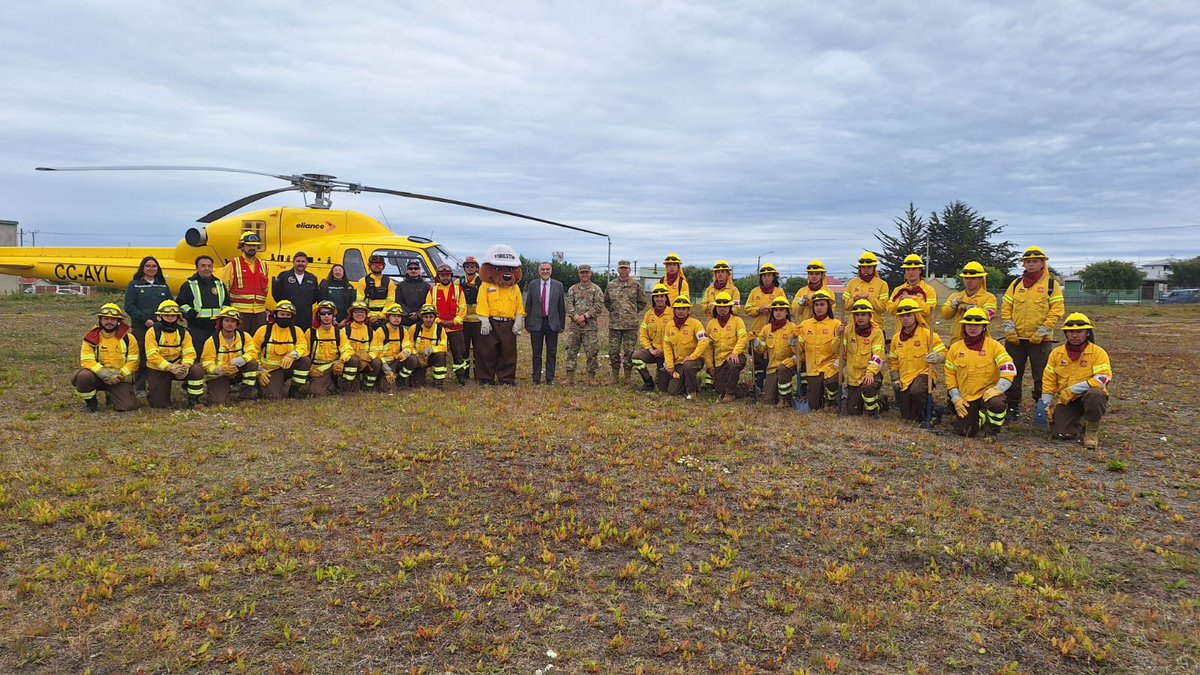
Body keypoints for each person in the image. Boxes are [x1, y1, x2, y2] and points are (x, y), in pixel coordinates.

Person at [1000, 245, 1065, 420]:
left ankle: (1041, 407)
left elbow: (1057, 310)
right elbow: (1006, 307)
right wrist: (1009, 328)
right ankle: (1012, 407)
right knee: (1012, 373)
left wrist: (1043, 330)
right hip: (1016, 339)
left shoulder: (1052, 285)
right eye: (1028, 261)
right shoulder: (1015, 285)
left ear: (1043, 263)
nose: (1031, 264)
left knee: (1042, 375)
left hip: (1041, 341)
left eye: (1035, 261)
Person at [1040, 312, 1113, 449]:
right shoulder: (1056, 354)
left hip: (1087, 397)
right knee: (1060, 435)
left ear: (1087, 333)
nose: (1074, 335)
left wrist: (1073, 390)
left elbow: (1102, 379)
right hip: (1067, 401)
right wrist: (1046, 403)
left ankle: (1091, 430)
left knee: (1095, 395)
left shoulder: (1098, 353)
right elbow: (1049, 379)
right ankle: (1080, 420)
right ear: (1066, 334)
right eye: (1070, 332)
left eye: (1079, 332)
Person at [945, 308, 1017, 437]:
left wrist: (998, 389)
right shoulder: (955, 348)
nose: (973, 327)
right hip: (966, 397)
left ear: (984, 327)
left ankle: (992, 430)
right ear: (964, 326)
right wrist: (956, 398)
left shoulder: (995, 346)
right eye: (969, 324)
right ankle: (981, 415)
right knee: (965, 432)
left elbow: (1009, 369)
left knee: (997, 404)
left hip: (988, 394)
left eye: (977, 324)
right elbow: (950, 375)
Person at [73, 303, 141, 412]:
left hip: (119, 378)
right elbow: (87, 360)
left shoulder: (129, 338)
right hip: (98, 376)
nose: (109, 322)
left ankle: (112, 395)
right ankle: (91, 403)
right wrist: (105, 375)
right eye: (106, 319)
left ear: (119, 321)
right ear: (100, 319)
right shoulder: (91, 338)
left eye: (113, 319)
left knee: (128, 406)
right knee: (83, 377)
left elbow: (134, 362)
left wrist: (120, 375)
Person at [889, 298, 947, 423]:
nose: (905, 318)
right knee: (907, 417)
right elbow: (893, 361)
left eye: (908, 315)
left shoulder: (928, 334)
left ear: (916, 315)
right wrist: (895, 378)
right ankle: (935, 410)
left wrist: (937, 357)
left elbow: (944, 353)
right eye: (902, 316)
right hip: (905, 378)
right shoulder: (895, 338)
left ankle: (929, 414)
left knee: (916, 391)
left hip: (924, 373)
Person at [475, 244, 526, 385]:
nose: (506, 273)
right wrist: (484, 320)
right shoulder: (486, 286)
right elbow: (482, 302)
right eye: (499, 269)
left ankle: (506, 379)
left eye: (510, 269)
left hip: (508, 324)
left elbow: (519, 305)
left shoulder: (515, 287)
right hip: (491, 322)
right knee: (486, 352)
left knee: (508, 353)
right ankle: (485, 379)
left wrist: (518, 321)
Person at [143, 300, 207, 409]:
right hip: (159, 369)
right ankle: (155, 392)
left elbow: (189, 352)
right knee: (159, 405)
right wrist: (170, 367)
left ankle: (194, 400)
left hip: (179, 366)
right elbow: (152, 355)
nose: (170, 317)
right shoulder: (152, 332)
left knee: (196, 370)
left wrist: (186, 366)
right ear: (160, 316)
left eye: (173, 315)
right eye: (167, 315)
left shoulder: (184, 332)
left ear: (178, 317)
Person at [124, 255, 172, 395]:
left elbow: (169, 305)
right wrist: (145, 320)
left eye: (154, 266)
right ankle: (139, 387)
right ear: (142, 269)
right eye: (148, 266)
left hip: (161, 327)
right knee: (141, 356)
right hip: (141, 327)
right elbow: (129, 306)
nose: (151, 268)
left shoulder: (163, 286)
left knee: (158, 354)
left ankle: (156, 384)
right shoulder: (134, 285)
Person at [253, 300, 311, 400]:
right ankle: (261, 386)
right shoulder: (264, 330)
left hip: (288, 367)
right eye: (282, 314)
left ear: (292, 317)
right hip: (270, 371)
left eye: (288, 315)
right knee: (273, 397)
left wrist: (292, 355)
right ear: (275, 315)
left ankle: (295, 389)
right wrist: (259, 371)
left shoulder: (296, 331)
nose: (285, 317)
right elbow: (253, 352)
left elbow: (303, 347)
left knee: (305, 361)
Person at [201, 307, 260, 405]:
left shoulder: (245, 336)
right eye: (227, 320)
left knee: (252, 364)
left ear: (237, 324)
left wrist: (242, 359)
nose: (229, 324)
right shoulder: (211, 341)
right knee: (219, 402)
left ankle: (245, 396)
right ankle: (216, 391)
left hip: (237, 371)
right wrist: (219, 370)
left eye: (233, 321)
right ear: (221, 323)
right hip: (220, 375)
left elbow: (253, 353)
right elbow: (206, 363)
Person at [795, 289, 843, 411]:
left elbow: (839, 351)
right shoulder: (805, 324)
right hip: (813, 369)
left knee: (832, 382)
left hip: (830, 367)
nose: (819, 308)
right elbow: (798, 350)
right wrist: (793, 339)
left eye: (822, 304)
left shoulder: (836, 324)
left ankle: (830, 401)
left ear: (828, 306)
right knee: (814, 406)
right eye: (816, 304)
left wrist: (838, 335)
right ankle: (821, 396)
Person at [744, 263, 787, 393]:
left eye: (769, 276)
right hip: (757, 331)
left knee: (770, 359)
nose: (766, 278)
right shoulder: (754, 292)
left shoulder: (779, 292)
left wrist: (772, 309)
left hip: (774, 331)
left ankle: (771, 384)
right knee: (757, 360)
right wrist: (758, 309)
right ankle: (758, 384)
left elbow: (784, 308)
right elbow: (747, 309)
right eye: (764, 276)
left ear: (774, 277)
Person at [218, 231, 270, 334]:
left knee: (258, 341)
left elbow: (266, 289)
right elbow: (224, 288)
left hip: (259, 313)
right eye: (249, 245)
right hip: (239, 313)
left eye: (255, 246)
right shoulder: (233, 264)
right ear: (242, 246)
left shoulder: (263, 265)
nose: (252, 248)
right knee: (239, 341)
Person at [605, 259, 648, 383]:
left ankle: (627, 377)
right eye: (621, 268)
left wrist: (632, 312)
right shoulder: (611, 285)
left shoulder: (636, 285)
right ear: (618, 270)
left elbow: (642, 302)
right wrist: (614, 311)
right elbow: (607, 302)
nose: (624, 270)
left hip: (630, 325)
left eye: (626, 268)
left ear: (629, 270)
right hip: (615, 324)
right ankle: (615, 376)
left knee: (629, 352)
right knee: (613, 351)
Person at [523, 261, 566, 385]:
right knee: (536, 353)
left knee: (551, 353)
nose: (545, 271)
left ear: (551, 271)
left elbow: (561, 307)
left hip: (552, 324)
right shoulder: (533, 285)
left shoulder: (558, 285)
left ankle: (550, 378)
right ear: (539, 271)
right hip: (536, 323)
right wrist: (527, 323)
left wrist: (562, 325)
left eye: (547, 269)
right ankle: (536, 378)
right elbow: (529, 305)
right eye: (543, 269)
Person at [425, 264, 469, 384]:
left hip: (456, 328)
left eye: (447, 275)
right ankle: (438, 379)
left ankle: (460, 377)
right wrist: (440, 321)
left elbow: (463, 308)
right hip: (438, 328)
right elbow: (428, 309)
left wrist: (454, 321)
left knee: (458, 353)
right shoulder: (432, 291)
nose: (445, 277)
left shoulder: (458, 290)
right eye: (442, 275)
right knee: (439, 353)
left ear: (451, 276)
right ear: (438, 276)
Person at [754, 297, 800, 408]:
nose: (778, 313)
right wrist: (755, 342)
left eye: (781, 310)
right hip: (772, 367)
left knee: (783, 369)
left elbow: (799, 350)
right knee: (768, 400)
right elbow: (761, 349)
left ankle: (785, 399)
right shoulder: (766, 329)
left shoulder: (793, 328)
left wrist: (794, 339)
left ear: (786, 312)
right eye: (775, 310)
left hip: (789, 365)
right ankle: (748, 387)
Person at [843, 299, 887, 416]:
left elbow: (878, 356)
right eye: (857, 315)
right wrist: (838, 336)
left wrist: (870, 373)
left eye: (863, 314)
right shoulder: (847, 330)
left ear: (870, 316)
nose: (860, 318)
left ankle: (877, 406)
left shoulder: (877, 332)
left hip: (870, 375)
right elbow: (838, 350)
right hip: (853, 378)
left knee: (868, 388)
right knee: (852, 411)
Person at [563, 264, 606, 384]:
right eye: (582, 273)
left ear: (590, 274)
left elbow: (598, 306)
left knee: (592, 352)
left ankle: (591, 378)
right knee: (571, 351)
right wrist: (576, 317)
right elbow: (568, 304)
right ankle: (569, 377)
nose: (584, 275)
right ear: (579, 274)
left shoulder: (596, 289)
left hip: (590, 327)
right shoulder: (572, 289)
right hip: (574, 327)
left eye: (586, 272)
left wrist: (585, 317)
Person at [176, 254, 228, 350]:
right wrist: (191, 312)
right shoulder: (189, 284)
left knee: (216, 351)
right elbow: (180, 303)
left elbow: (226, 303)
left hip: (216, 327)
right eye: (203, 266)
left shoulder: (219, 284)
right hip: (197, 326)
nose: (206, 268)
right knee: (199, 352)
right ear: (197, 268)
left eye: (209, 266)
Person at [705, 292, 749, 403]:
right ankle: (747, 387)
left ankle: (730, 394)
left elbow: (742, 339)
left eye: (725, 306)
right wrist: (710, 366)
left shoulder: (737, 321)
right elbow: (708, 347)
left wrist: (735, 353)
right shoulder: (711, 324)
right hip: (720, 362)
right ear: (716, 308)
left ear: (730, 307)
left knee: (733, 364)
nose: (722, 309)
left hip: (736, 356)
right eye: (719, 306)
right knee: (720, 390)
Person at [663, 296, 709, 399]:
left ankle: (692, 392)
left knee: (688, 366)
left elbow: (704, 341)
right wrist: (670, 365)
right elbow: (667, 347)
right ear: (674, 310)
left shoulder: (696, 324)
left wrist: (693, 356)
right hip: (678, 362)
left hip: (695, 360)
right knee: (673, 391)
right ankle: (694, 381)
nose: (681, 311)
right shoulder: (669, 326)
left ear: (688, 310)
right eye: (678, 308)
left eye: (684, 308)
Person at [940, 261, 997, 342]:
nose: (969, 281)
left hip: (979, 343)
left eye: (973, 278)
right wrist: (952, 306)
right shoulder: (955, 296)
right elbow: (944, 315)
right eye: (966, 278)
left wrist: (974, 310)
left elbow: (990, 314)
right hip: (956, 342)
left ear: (981, 279)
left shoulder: (989, 297)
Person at [631, 284, 673, 392]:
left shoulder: (673, 314)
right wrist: (650, 349)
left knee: (662, 388)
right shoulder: (649, 314)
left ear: (666, 298)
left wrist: (664, 351)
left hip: (667, 354)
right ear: (653, 298)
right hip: (653, 351)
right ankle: (648, 382)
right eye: (656, 297)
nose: (659, 299)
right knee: (636, 357)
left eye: (662, 296)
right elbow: (643, 334)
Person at [307, 301, 353, 397]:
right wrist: (309, 370)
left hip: (336, 366)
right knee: (316, 392)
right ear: (318, 316)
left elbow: (348, 349)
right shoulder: (311, 332)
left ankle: (346, 386)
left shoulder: (338, 332)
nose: (326, 316)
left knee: (353, 360)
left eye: (329, 313)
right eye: (323, 313)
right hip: (319, 369)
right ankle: (330, 384)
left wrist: (341, 361)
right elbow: (304, 353)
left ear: (333, 315)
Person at [399, 304, 450, 388]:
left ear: (434, 317)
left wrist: (432, 349)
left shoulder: (440, 329)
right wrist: (417, 356)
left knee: (441, 355)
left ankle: (438, 383)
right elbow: (408, 345)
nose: (428, 319)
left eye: (431, 317)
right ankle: (402, 379)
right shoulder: (414, 328)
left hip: (430, 357)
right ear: (422, 317)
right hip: (417, 359)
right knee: (417, 384)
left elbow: (443, 346)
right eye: (426, 317)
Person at [887, 254, 937, 330]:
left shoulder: (929, 290)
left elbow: (929, 311)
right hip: (901, 334)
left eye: (914, 269)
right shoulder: (897, 290)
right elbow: (890, 310)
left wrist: (912, 298)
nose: (910, 272)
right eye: (908, 269)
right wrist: (900, 301)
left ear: (920, 270)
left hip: (923, 334)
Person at [272, 252, 319, 329]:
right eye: (298, 261)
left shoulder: (312, 278)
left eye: (303, 261)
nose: (300, 263)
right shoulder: (284, 276)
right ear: (293, 262)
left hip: (305, 316)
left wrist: (305, 303)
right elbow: (276, 294)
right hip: (288, 315)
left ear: (307, 263)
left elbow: (315, 296)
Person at [843, 252, 889, 330]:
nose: (866, 270)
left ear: (874, 268)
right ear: (860, 268)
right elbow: (845, 306)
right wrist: (854, 299)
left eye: (869, 267)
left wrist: (869, 298)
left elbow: (883, 307)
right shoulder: (851, 283)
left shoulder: (882, 284)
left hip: (875, 327)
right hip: (854, 327)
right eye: (863, 267)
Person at [340, 300, 378, 391]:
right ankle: (347, 385)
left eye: (362, 312)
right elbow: (342, 348)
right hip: (349, 362)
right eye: (356, 311)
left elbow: (376, 349)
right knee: (353, 359)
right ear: (351, 314)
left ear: (366, 314)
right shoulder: (345, 331)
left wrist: (369, 357)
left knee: (376, 362)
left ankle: (368, 386)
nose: (359, 314)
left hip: (365, 362)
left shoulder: (371, 332)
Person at [352, 254, 397, 326]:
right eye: (374, 264)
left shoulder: (390, 282)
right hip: (366, 318)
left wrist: (381, 315)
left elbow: (391, 301)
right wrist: (369, 315)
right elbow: (360, 301)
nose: (377, 266)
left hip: (384, 318)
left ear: (383, 266)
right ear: (369, 265)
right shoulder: (362, 281)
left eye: (379, 264)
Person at [373, 304, 408, 391]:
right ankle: (378, 379)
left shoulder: (403, 331)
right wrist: (385, 367)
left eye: (399, 316)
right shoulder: (381, 331)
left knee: (413, 359)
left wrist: (405, 352)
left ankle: (401, 379)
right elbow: (377, 352)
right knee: (389, 389)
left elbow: (408, 346)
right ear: (388, 317)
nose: (397, 318)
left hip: (396, 361)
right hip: (384, 364)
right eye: (394, 316)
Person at [459, 256, 483, 380]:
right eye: (467, 266)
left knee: (479, 350)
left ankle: (478, 374)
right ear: (464, 268)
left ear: (476, 268)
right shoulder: (459, 282)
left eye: (472, 266)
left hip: (478, 321)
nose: (470, 268)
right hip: (463, 321)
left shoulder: (481, 282)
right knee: (464, 350)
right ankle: (464, 373)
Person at [791, 260, 834, 324]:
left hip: (823, 326)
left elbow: (831, 311)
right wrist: (802, 302)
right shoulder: (801, 291)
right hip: (805, 326)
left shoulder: (829, 292)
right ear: (808, 275)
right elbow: (794, 311)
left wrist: (813, 303)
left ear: (822, 275)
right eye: (811, 274)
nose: (814, 276)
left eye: (817, 274)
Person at [397, 259, 431, 328]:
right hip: (404, 322)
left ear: (419, 270)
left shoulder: (426, 286)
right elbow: (399, 301)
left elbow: (428, 302)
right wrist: (409, 313)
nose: (413, 270)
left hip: (421, 322)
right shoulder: (400, 285)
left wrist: (418, 314)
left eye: (416, 268)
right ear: (407, 270)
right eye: (410, 268)